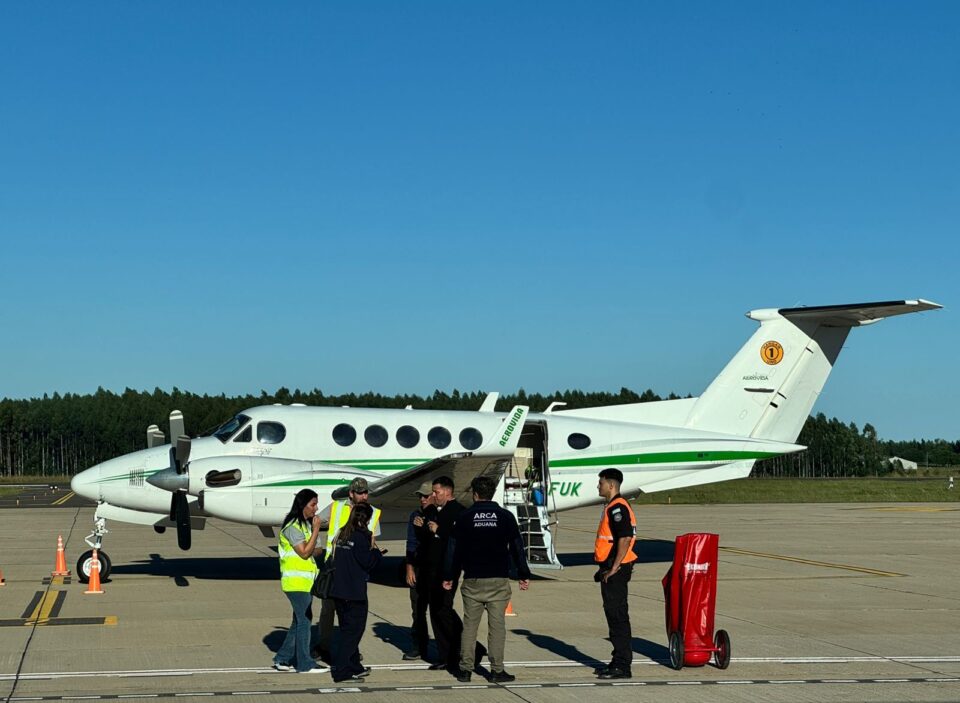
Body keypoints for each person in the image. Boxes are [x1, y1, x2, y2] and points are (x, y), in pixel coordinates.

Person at [443, 476, 531, 683]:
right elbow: (517, 546)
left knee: (469, 626)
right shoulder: (505, 516)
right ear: (491, 494)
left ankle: (465, 669)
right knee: (497, 626)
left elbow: (453, 550)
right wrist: (523, 573)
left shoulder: (464, 517)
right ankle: (497, 670)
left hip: (473, 579)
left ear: (475, 494)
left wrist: (449, 576)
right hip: (498, 579)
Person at [313, 477, 382, 662]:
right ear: (351, 493)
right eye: (360, 493)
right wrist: (317, 545)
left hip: (354, 571)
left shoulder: (372, 512)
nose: (364, 496)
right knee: (328, 610)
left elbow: (372, 540)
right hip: (334, 568)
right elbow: (316, 520)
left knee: (351, 615)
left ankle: (351, 650)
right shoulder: (336, 507)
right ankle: (323, 647)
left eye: (366, 492)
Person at [273, 489, 330, 674]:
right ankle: (305, 663)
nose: (316, 508)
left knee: (298, 621)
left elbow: (317, 550)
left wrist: (312, 537)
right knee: (305, 621)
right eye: (313, 504)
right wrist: (315, 531)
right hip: (295, 583)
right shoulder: (292, 527)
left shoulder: (305, 526)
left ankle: (282, 658)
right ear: (303, 505)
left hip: (306, 582)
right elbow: (305, 552)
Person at [329, 503, 385, 683]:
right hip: (354, 593)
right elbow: (368, 562)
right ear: (367, 519)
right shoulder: (360, 537)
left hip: (339, 591)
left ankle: (354, 665)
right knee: (353, 634)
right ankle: (342, 671)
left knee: (347, 629)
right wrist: (376, 552)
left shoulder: (342, 534)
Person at [593, 468, 638, 680]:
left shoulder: (617, 507)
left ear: (611, 485)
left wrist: (614, 567)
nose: (598, 486)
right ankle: (617, 660)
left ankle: (622, 665)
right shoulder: (613, 506)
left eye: (600, 482)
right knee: (613, 614)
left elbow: (625, 537)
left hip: (616, 569)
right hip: (611, 567)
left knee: (617, 615)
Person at [421, 475, 466, 673]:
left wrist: (439, 531)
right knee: (436, 611)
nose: (433, 495)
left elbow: (458, 541)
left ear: (447, 492)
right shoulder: (435, 511)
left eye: (436, 492)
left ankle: (463, 647)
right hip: (432, 570)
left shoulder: (459, 512)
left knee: (444, 610)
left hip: (447, 571)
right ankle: (445, 655)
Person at [403, 481, 436, 661]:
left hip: (434, 568)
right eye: (420, 496)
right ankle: (418, 645)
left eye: (426, 496)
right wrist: (409, 568)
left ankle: (450, 645)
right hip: (418, 567)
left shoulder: (439, 515)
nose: (422, 499)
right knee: (417, 610)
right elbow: (410, 543)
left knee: (439, 610)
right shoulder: (415, 515)